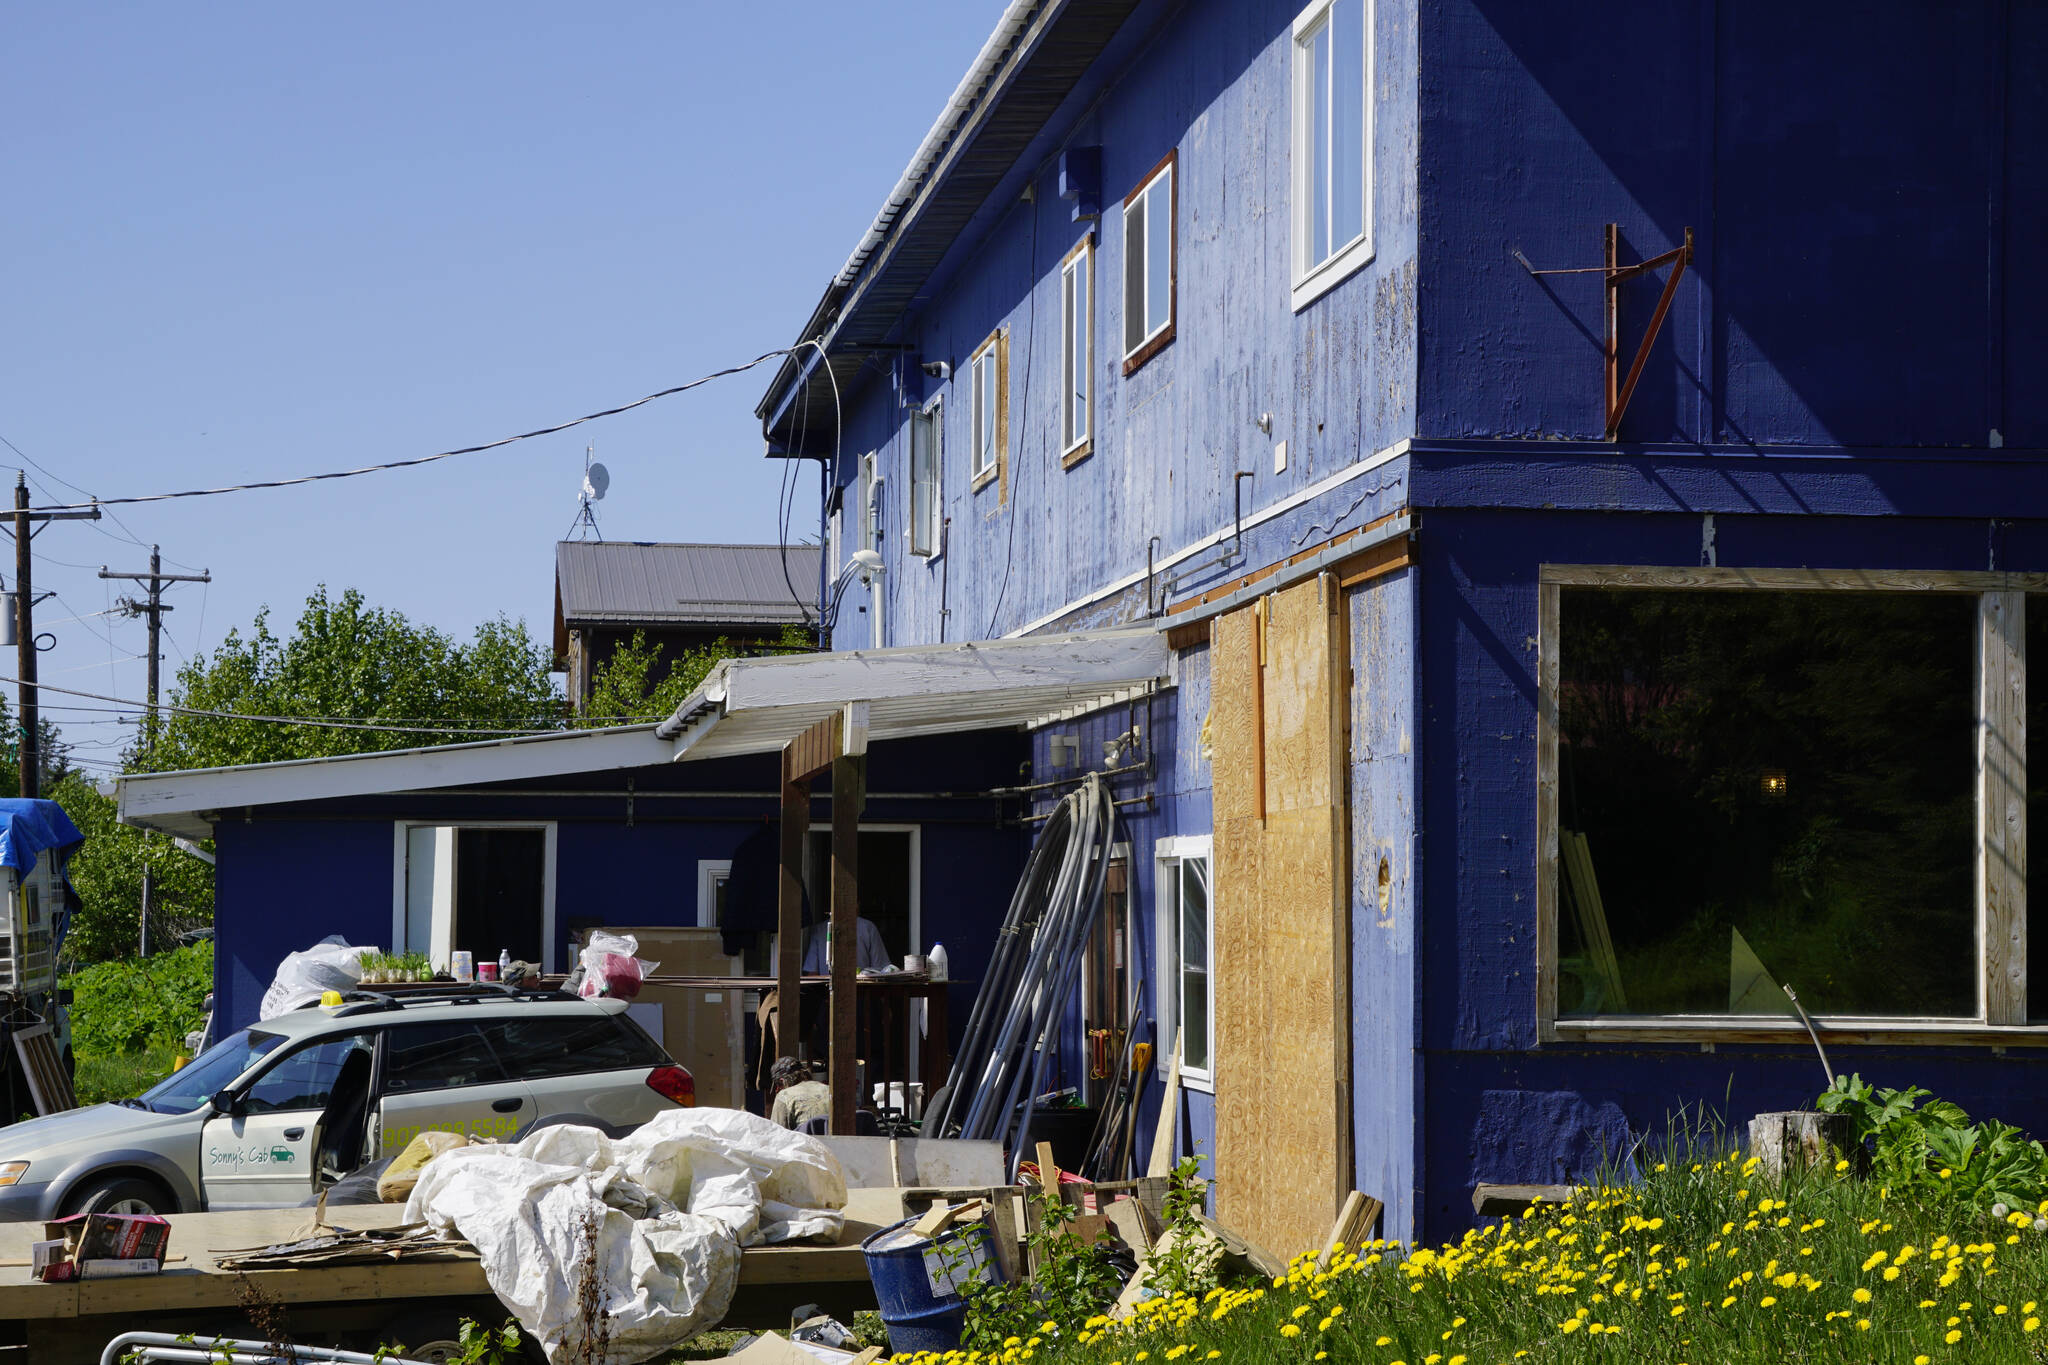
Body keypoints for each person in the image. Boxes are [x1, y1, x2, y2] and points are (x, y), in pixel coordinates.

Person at [769, 917, 893, 974]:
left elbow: (813, 972)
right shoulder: (867, 927)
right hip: (854, 996)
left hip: (846, 997)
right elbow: (881, 970)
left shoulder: (867, 927)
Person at [768, 1056, 832, 1131]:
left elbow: (777, 1134)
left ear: (782, 1081)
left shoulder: (784, 1096)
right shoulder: (828, 1089)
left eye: (778, 1085)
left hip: (807, 1141)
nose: (777, 1090)